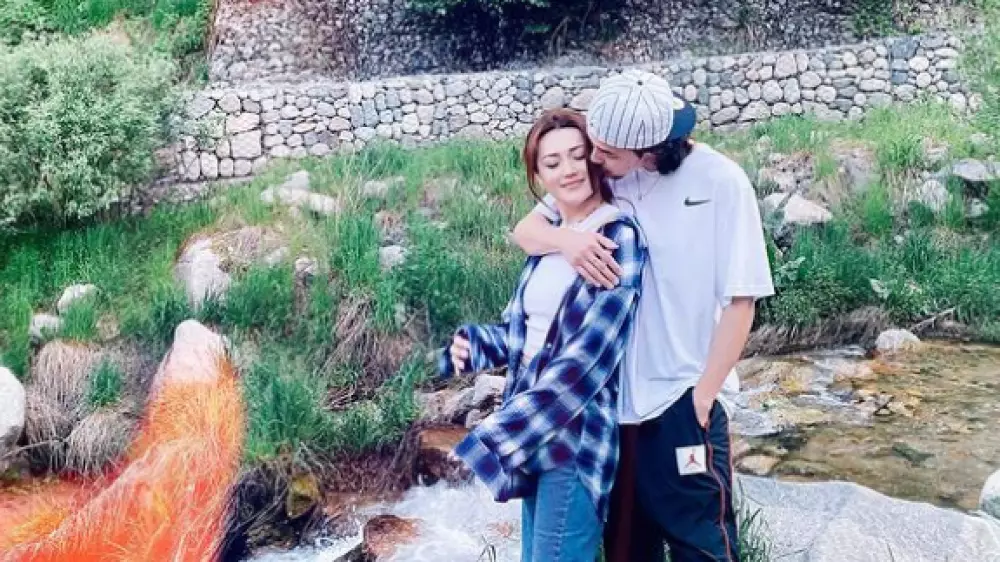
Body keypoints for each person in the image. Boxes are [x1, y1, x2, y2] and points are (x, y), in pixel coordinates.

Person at [511, 70, 776, 561]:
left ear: (649, 149)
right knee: (627, 550)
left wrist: (702, 398)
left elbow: (743, 301)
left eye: (605, 152)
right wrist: (567, 241)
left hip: (678, 402)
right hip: (613, 411)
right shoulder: (611, 175)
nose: (594, 159)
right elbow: (527, 230)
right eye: (594, 145)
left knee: (702, 545)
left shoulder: (721, 183)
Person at [438, 108, 648, 562]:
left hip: (573, 438)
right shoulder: (554, 237)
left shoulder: (616, 235)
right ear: (539, 176)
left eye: (577, 155)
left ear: (594, 157)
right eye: (553, 162)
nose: (568, 169)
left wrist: (497, 434)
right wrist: (472, 346)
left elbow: (590, 360)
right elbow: (530, 335)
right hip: (534, 432)